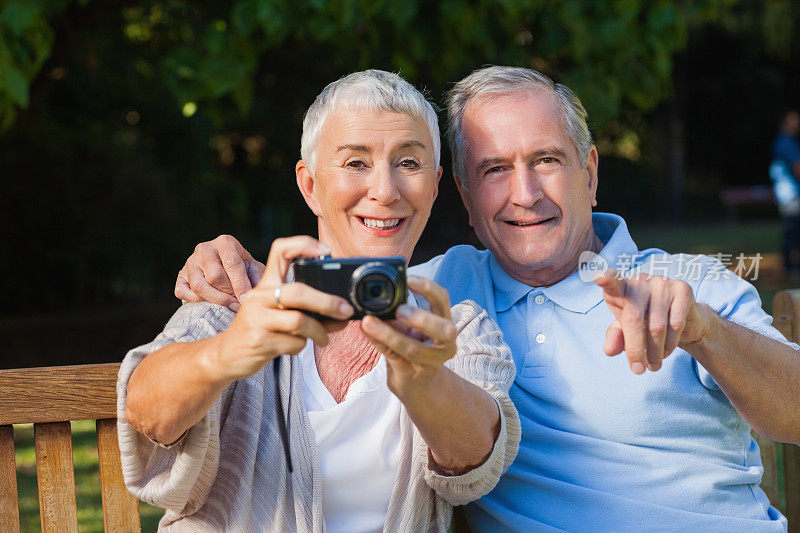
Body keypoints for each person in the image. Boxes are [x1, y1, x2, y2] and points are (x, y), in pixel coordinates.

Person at [181, 66, 800, 532]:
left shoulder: (688, 283)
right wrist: (222, 261)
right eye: (495, 170)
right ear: (465, 197)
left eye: (547, 160)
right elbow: (302, 277)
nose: (525, 193)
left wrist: (703, 331)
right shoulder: (432, 292)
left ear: (588, 172)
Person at [118, 70, 521, 532]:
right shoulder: (243, 298)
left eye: (408, 164)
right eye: (355, 163)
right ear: (310, 185)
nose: (385, 190)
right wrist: (230, 351)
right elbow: (145, 412)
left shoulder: (457, 327)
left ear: (433, 186)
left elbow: (475, 461)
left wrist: (425, 382)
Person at [770, 109, 800, 278]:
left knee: (792, 231)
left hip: (788, 193)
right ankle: (791, 268)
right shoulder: (786, 142)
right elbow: (797, 167)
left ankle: (791, 267)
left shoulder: (786, 141)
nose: (796, 124)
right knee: (792, 232)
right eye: (793, 121)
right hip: (790, 194)